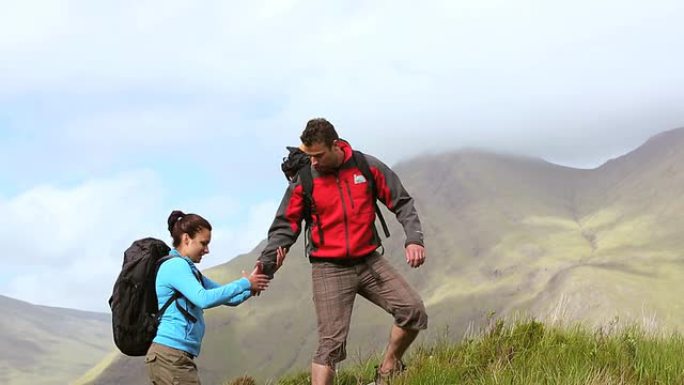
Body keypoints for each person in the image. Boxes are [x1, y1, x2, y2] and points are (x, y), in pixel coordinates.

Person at [256, 118, 428, 385]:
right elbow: (285, 226)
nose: (312, 162)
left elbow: (402, 202)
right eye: (308, 156)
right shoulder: (304, 180)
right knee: (330, 345)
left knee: (413, 310)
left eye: (318, 155)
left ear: (335, 145)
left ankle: (388, 370)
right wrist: (267, 262)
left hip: (369, 260)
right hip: (328, 268)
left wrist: (414, 239)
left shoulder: (366, 167)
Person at [145, 210, 270, 385]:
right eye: (203, 243)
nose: (207, 250)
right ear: (187, 238)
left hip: (173, 356)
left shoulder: (190, 270)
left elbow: (231, 299)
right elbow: (204, 299)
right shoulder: (175, 266)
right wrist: (245, 283)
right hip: (170, 356)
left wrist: (254, 283)